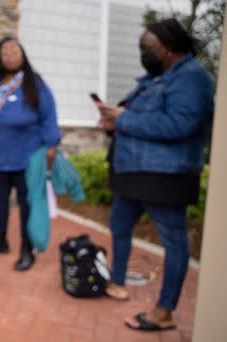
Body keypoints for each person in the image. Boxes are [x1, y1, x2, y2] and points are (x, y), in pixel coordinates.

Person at [96, 18, 214, 331]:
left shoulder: (192, 77)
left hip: (164, 175)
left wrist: (124, 119)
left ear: (171, 48)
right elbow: (137, 119)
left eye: (148, 48)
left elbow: (180, 125)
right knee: (119, 224)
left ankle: (164, 311)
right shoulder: (152, 78)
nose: (142, 53)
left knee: (173, 241)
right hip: (133, 169)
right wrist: (114, 122)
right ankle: (117, 282)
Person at [0, 37, 60, 271]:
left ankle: (26, 250)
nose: (10, 55)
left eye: (14, 50)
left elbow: (48, 117)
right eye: (5, 52)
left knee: (26, 207)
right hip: (1, 159)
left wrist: (51, 147)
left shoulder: (35, 84)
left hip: (28, 159)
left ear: (22, 54)